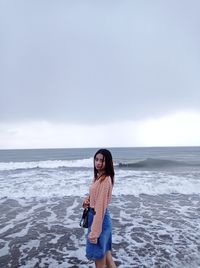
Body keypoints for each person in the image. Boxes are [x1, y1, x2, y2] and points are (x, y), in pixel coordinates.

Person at [82, 149, 116, 268]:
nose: (98, 163)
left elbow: (100, 207)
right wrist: (88, 200)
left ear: (108, 162)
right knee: (107, 258)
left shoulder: (105, 179)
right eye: (96, 159)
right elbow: (97, 197)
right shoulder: (99, 177)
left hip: (99, 221)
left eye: (102, 160)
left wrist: (94, 233)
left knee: (99, 262)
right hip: (99, 219)